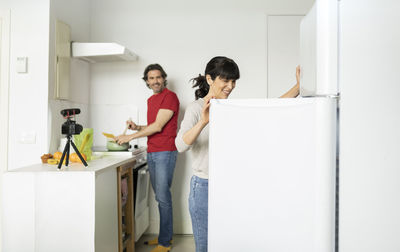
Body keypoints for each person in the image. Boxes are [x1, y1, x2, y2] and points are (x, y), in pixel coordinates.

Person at [175, 56, 300, 252]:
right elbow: (180, 145)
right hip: (204, 188)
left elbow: (269, 109)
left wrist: (298, 87)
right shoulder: (195, 109)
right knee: (205, 247)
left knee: (229, 243)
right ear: (210, 79)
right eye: (225, 80)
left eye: (233, 81)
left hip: (231, 185)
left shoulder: (230, 109)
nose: (230, 86)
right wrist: (203, 122)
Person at [115, 63, 179, 252]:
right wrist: (137, 127)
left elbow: (158, 127)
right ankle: (163, 238)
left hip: (165, 152)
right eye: (151, 78)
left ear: (164, 78)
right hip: (153, 151)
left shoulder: (170, 97)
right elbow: (152, 126)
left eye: (158, 77)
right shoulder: (152, 100)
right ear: (147, 81)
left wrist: (129, 136)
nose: (155, 81)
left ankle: (165, 243)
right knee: (160, 198)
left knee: (163, 197)